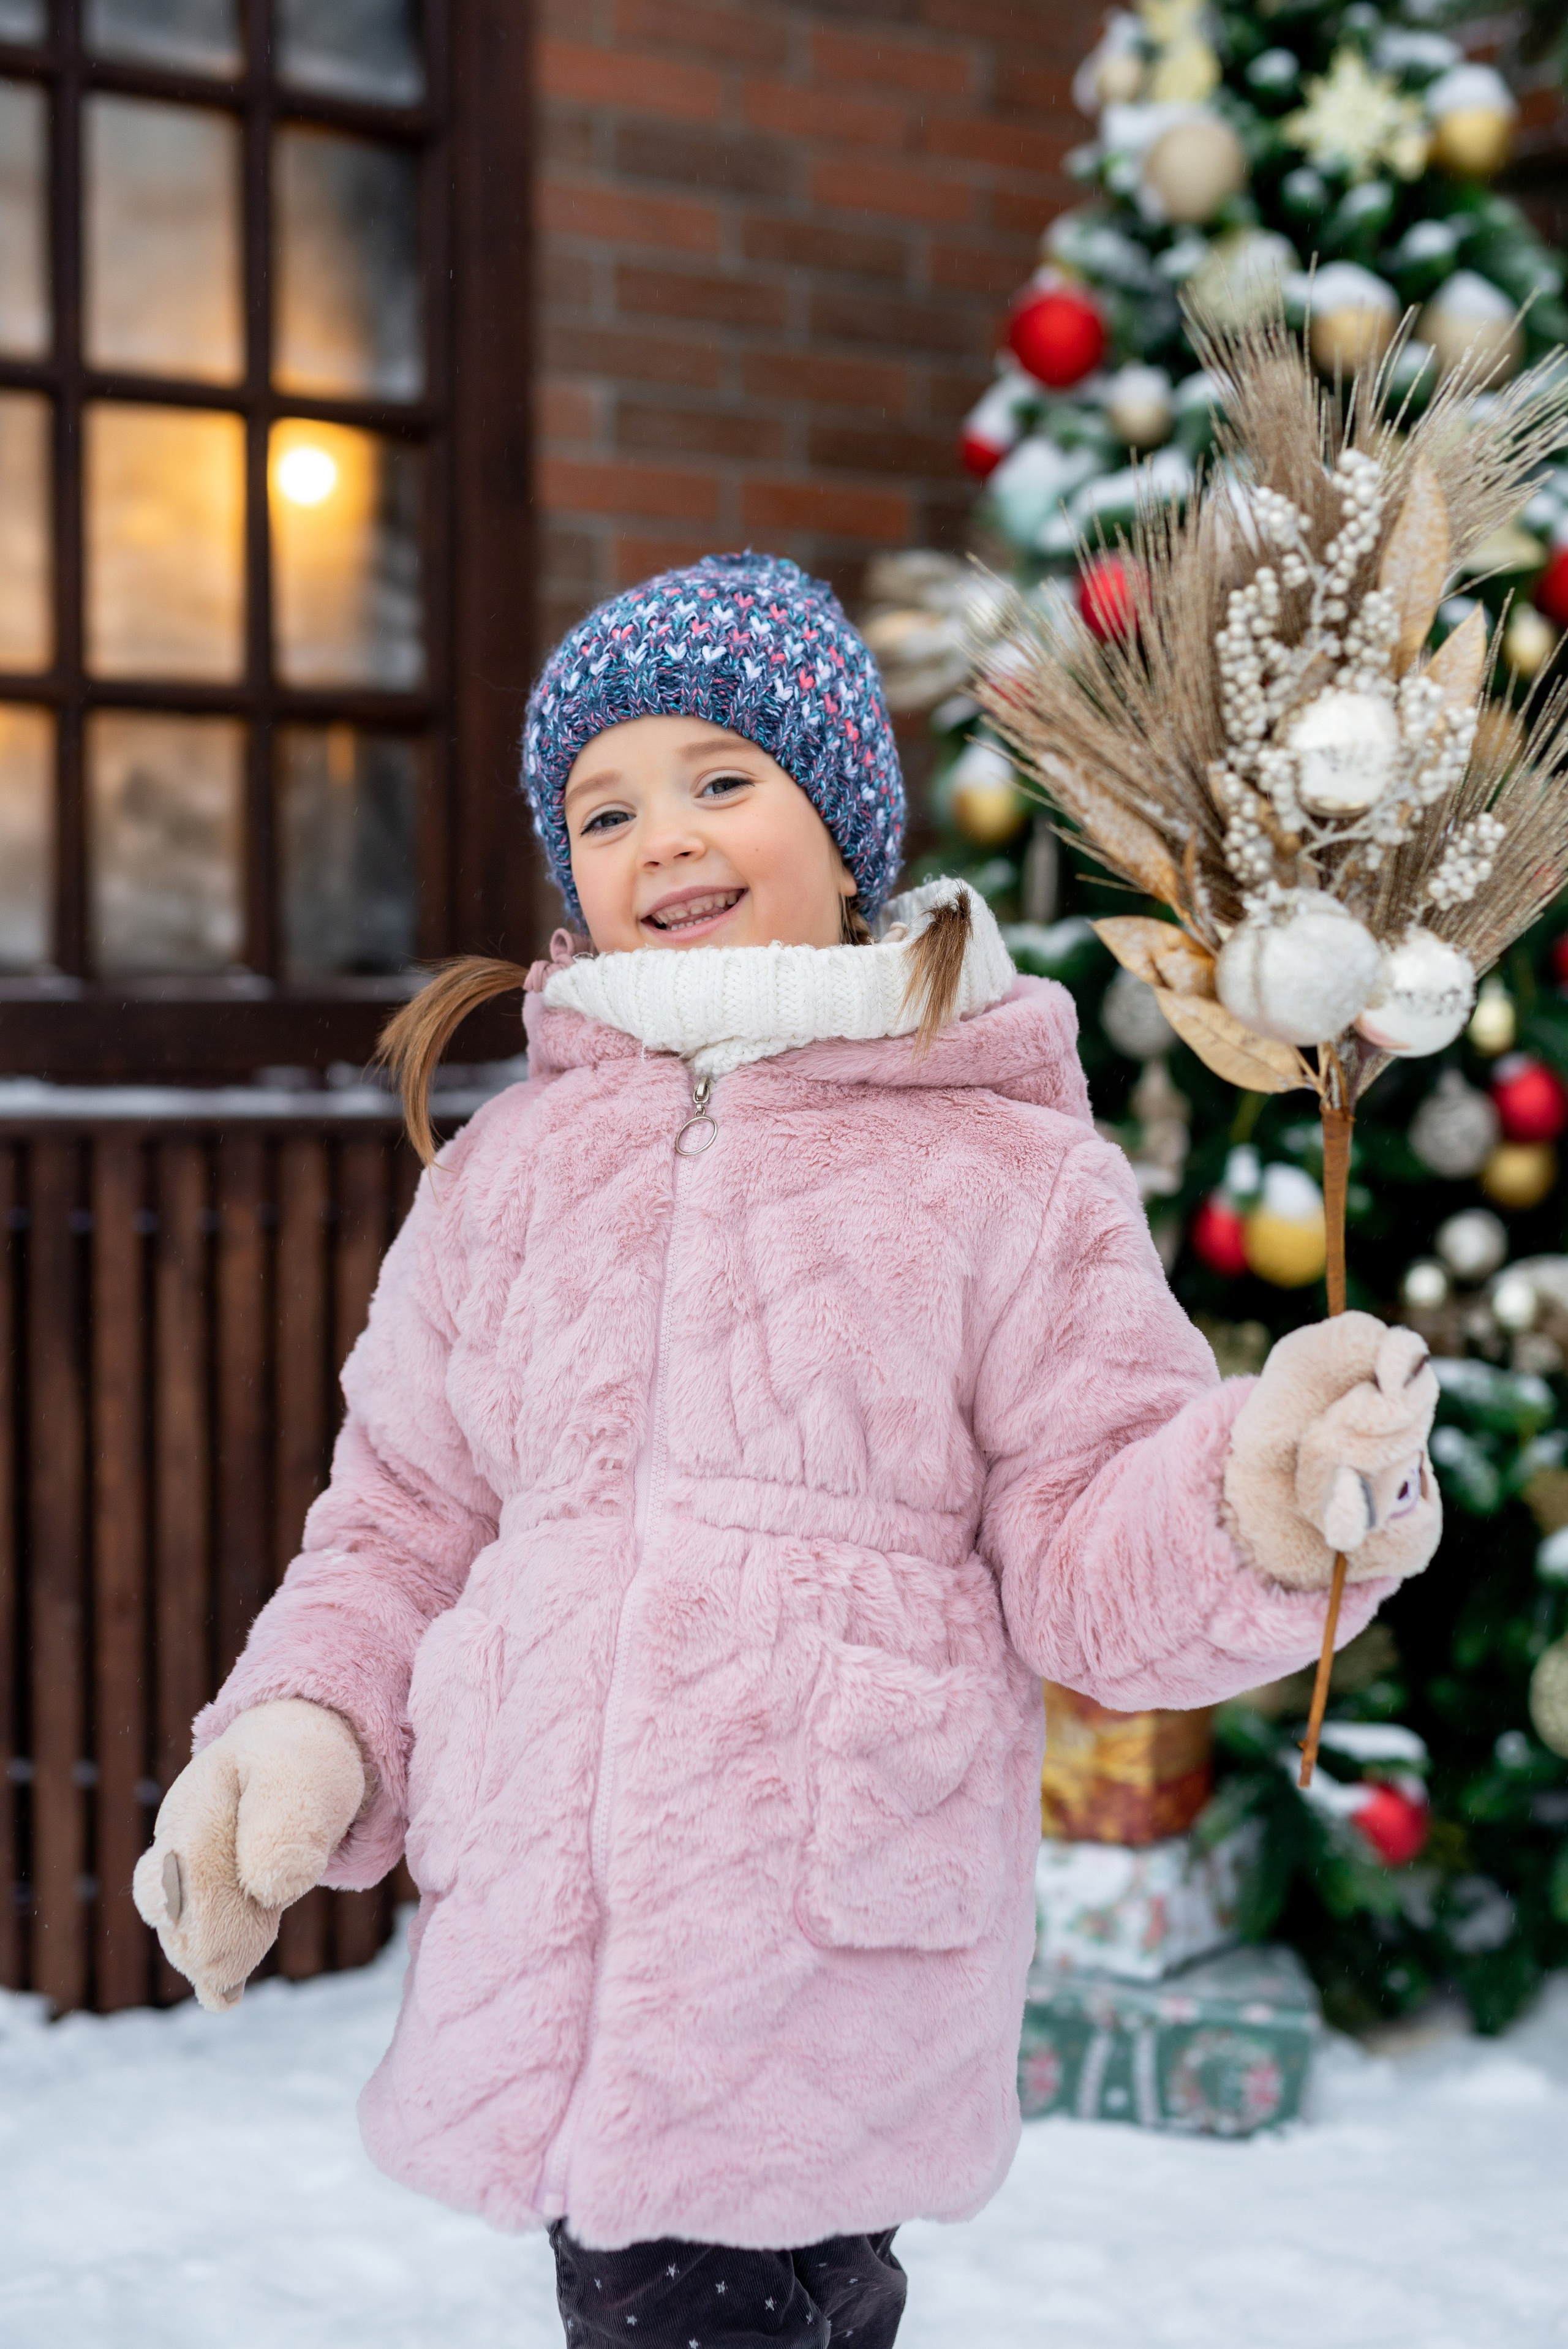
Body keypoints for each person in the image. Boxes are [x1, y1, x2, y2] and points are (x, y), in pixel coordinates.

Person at [134, 551, 1439, 2348]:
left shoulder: (995, 1167)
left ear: (845, 831)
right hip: (565, 1973)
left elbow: (1085, 1524)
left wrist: (1259, 1498)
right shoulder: (510, 1177)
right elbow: (404, 1518)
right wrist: (303, 1726)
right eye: (604, 806)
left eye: (721, 778)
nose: (661, 831)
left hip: (822, 1966)